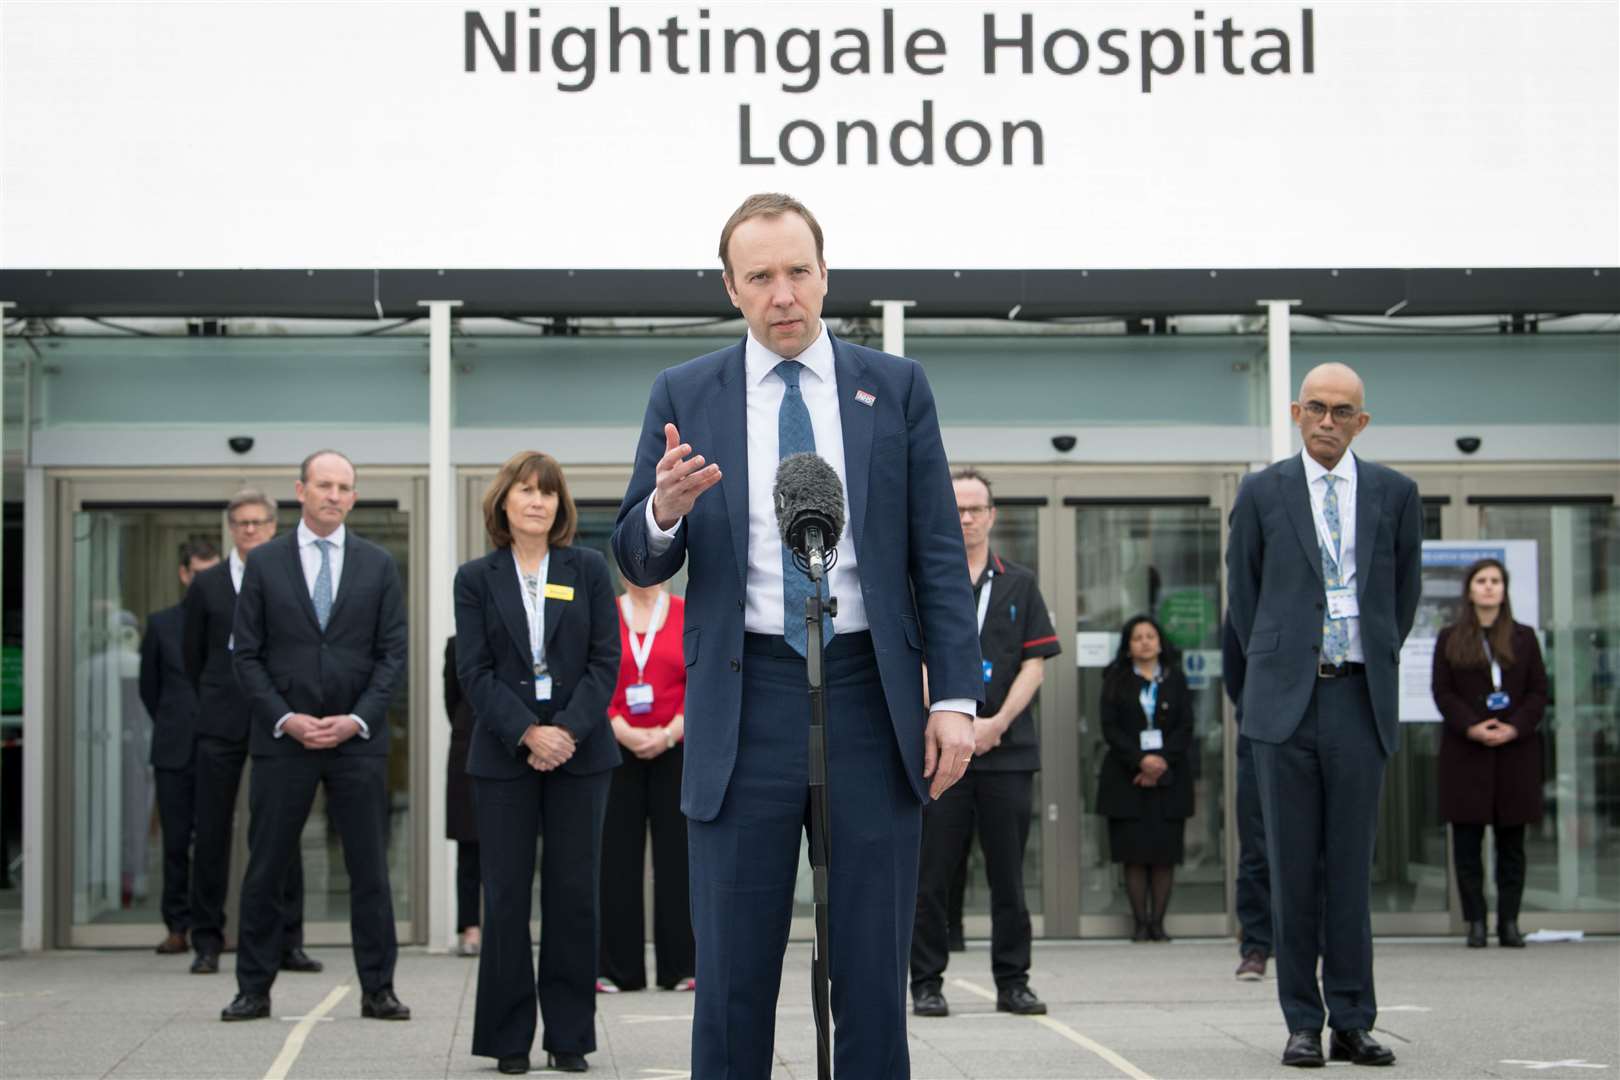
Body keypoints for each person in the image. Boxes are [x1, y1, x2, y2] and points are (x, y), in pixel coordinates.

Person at [612, 192, 981, 1078]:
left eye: (798, 272)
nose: (784, 294)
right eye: (761, 277)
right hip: (746, 699)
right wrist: (664, 507)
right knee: (732, 977)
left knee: (868, 969)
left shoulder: (894, 389)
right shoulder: (685, 394)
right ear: (732, 289)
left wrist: (958, 698)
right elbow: (634, 552)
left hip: (868, 694)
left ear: (825, 275)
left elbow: (936, 551)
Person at [1226, 362, 1421, 1069]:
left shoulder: (1396, 494)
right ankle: (1302, 1022)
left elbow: (1400, 596)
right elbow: (1244, 603)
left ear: (1361, 421)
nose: (1329, 422)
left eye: (1343, 411)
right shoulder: (1262, 492)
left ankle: (1353, 1020)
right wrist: (1276, 672)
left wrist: (1360, 659)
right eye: (1317, 408)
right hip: (1285, 706)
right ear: (1296, 412)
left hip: (1357, 702)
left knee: (1348, 871)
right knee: (1291, 870)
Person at [221, 451, 409, 1023]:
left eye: (344, 486)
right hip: (284, 740)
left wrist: (357, 718)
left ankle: (378, 988)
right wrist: (285, 717)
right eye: (324, 484)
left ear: (353, 497)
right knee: (267, 867)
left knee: (369, 871)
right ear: (300, 491)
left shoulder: (378, 565)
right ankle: (253, 988)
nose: (334, 494)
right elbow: (245, 655)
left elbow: (393, 655)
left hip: (357, 741)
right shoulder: (265, 563)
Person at [454, 451, 621, 1075]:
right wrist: (528, 732)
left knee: (574, 896)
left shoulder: (587, 569)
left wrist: (564, 733)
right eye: (525, 491)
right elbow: (474, 670)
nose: (537, 502)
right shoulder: (475, 578)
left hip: (580, 756)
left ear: (561, 506)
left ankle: (570, 1036)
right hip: (502, 757)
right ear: (503, 501)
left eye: (548, 493)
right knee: (504, 900)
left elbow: (606, 661)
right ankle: (507, 1040)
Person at [910, 467, 1060, 1018]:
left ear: (992, 516)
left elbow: (1036, 664)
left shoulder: (1018, 581)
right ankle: (925, 982)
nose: (967, 518)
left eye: (976, 509)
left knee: (1008, 877)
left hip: (1007, 751)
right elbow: (914, 657)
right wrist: (953, 717)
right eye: (957, 509)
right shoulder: (923, 581)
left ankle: (1013, 982)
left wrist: (993, 723)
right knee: (932, 874)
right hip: (941, 751)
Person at [182, 489, 315, 977]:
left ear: (273, 525)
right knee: (212, 832)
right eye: (241, 523)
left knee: (282, 830)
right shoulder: (207, 584)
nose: (250, 530)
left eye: (259, 522)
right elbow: (192, 655)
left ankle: (289, 940)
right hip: (221, 720)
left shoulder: (292, 576)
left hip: (278, 718)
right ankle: (207, 940)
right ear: (230, 528)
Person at [1432, 558, 1547, 950]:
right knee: (1467, 845)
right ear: (1469, 590)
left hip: (1515, 753)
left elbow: (1538, 693)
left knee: (1511, 845)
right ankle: (1476, 923)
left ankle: (1510, 923)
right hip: (1467, 753)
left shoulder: (1524, 637)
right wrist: (1473, 726)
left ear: (1504, 589)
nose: (1489, 587)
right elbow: (1442, 692)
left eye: (1496, 581)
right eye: (1481, 581)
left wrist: (1514, 726)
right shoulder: (1450, 637)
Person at [597, 574, 694, 995]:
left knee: (678, 859)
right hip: (617, 748)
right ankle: (619, 970)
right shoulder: (605, 615)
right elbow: (594, 673)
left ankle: (681, 967)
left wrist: (671, 732)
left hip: (676, 747)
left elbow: (700, 677)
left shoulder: (685, 613)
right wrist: (618, 727)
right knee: (616, 859)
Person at [138, 538, 219, 955]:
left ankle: (213, 925)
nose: (206, 582)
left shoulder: (231, 620)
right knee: (174, 842)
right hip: (173, 749)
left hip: (219, 745)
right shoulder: (161, 623)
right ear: (184, 574)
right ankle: (177, 925)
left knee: (213, 840)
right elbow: (149, 688)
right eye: (199, 574)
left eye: (213, 573)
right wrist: (174, 723)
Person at [1094, 616, 1193, 944]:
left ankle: (1158, 924)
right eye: (1138, 638)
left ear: (1160, 641)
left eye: (1151, 636)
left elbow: (1186, 727)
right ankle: (1140, 924)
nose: (1145, 642)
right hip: (1126, 778)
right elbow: (1110, 728)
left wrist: (1161, 762)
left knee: (1164, 853)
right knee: (1134, 854)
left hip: (1170, 776)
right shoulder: (1116, 679)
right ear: (1128, 645)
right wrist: (1142, 760)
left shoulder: (1176, 679)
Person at [1223, 614, 1272, 981]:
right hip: (1261, 728)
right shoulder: (1251, 600)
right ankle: (1256, 945)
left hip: (1312, 727)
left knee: (1314, 850)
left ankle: (1316, 944)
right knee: (1256, 847)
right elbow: (1234, 672)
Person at [443, 636, 481, 958]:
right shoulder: (457, 645)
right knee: (469, 847)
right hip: (468, 749)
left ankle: (509, 923)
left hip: (522, 746)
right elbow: (451, 700)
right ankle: (470, 928)